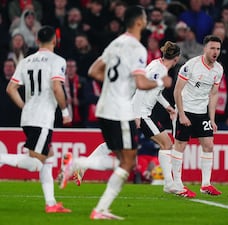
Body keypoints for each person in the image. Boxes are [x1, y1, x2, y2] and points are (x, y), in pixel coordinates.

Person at [59, 5, 172, 220]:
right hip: (120, 109)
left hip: (105, 107)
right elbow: (140, 82)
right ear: (139, 22)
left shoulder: (115, 43)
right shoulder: (137, 49)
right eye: (145, 18)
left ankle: (99, 205)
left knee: (122, 158)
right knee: (127, 162)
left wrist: (117, 83)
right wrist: (161, 81)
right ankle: (79, 167)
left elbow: (93, 71)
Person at [0, 26, 72, 213]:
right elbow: (57, 88)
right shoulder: (57, 60)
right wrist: (65, 112)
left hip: (29, 116)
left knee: (48, 157)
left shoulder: (26, 61)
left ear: (38, 41)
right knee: (35, 163)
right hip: (42, 118)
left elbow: (10, 89)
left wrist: (25, 107)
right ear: (54, 40)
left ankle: (51, 204)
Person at [133, 41, 196, 196]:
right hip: (142, 113)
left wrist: (167, 106)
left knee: (115, 143)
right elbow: (140, 90)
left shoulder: (158, 65)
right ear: (176, 59)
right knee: (166, 143)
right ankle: (169, 184)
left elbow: (155, 91)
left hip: (145, 112)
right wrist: (136, 115)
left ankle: (81, 165)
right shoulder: (158, 69)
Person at [172, 35, 223, 196]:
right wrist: (181, 115)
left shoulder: (218, 69)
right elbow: (177, 91)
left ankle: (206, 184)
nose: (215, 52)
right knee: (180, 145)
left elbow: (214, 94)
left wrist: (212, 119)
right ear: (205, 49)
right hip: (185, 109)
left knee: (209, 145)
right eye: (212, 48)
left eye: (218, 49)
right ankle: (178, 185)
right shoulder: (191, 66)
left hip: (202, 112)